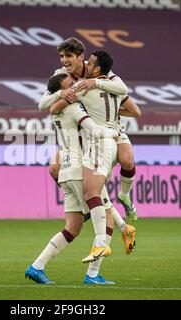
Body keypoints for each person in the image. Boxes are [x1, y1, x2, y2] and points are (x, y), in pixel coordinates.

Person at [25, 73, 121, 285]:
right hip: (79, 170)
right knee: (107, 221)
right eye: (70, 85)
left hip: (65, 174)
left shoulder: (57, 111)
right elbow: (94, 130)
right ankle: (93, 275)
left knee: (72, 227)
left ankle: (37, 266)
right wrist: (115, 134)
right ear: (62, 91)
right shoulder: (73, 108)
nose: (74, 87)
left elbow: (49, 105)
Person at [38, 37, 139, 223]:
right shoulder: (61, 75)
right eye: (61, 56)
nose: (64, 60)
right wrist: (61, 93)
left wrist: (96, 87)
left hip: (106, 129)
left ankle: (121, 202)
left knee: (127, 160)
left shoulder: (97, 72)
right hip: (82, 133)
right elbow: (45, 105)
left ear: (80, 57)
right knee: (54, 169)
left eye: (68, 56)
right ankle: (87, 208)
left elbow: (125, 93)